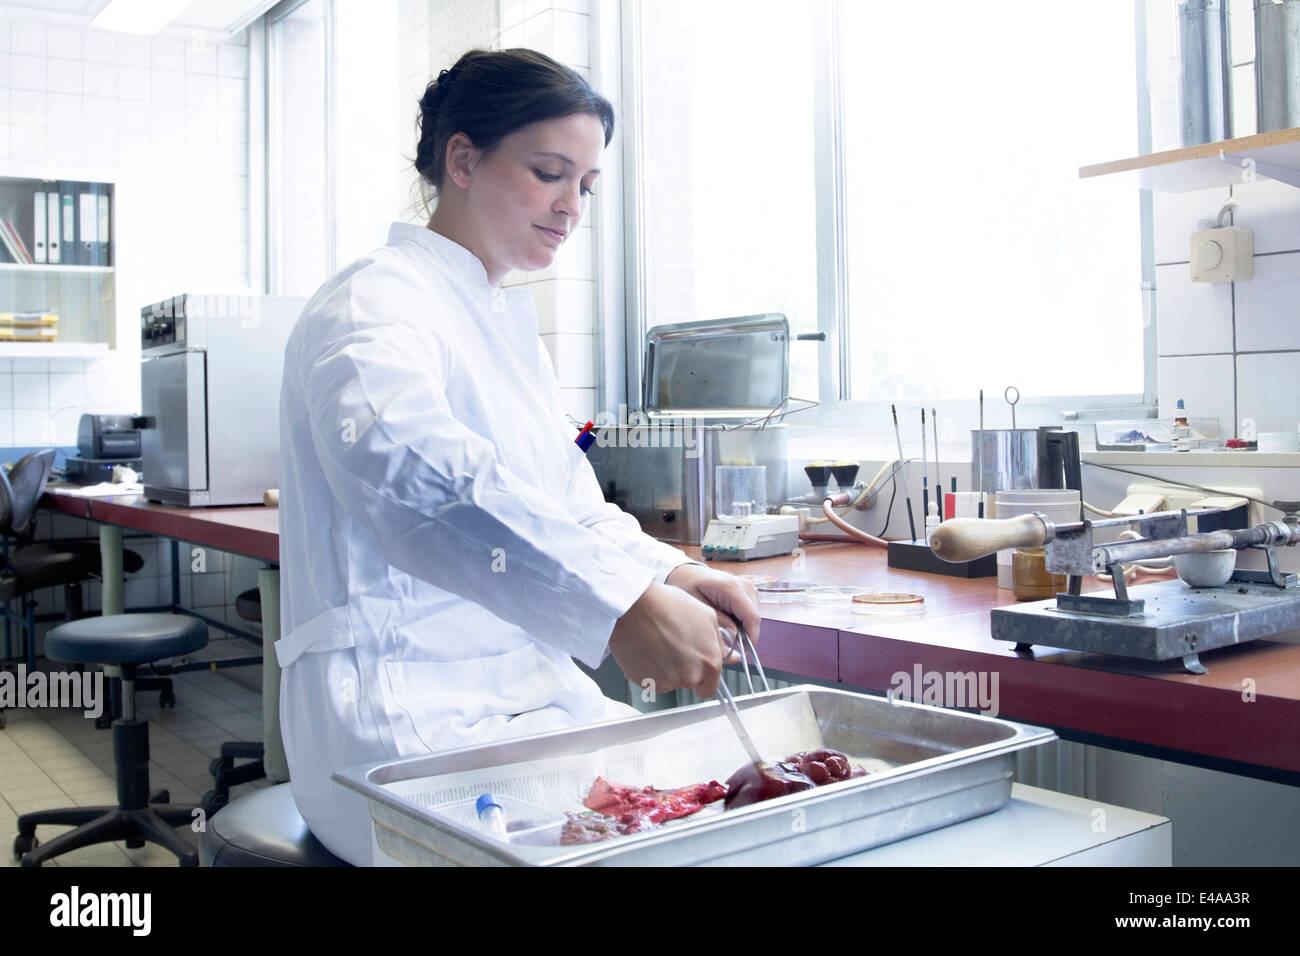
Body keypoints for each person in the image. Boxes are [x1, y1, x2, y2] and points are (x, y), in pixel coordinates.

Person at [276, 48, 761, 866]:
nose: (571, 206)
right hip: (400, 724)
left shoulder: (503, 325)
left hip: (528, 706)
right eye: (548, 173)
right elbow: (419, 484)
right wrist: (620, 604)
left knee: (726, 818)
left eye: (587, 185)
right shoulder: (375, 305)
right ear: (463, 159)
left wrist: (666, 573)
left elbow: (567, 502)